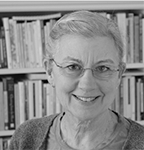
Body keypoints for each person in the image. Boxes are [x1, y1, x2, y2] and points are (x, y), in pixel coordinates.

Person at [9, 10, 144, 150]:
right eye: (73, 67)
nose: (87, 85)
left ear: (119, 74)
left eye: (103, 68)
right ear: (49, 71)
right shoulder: (26, 138)